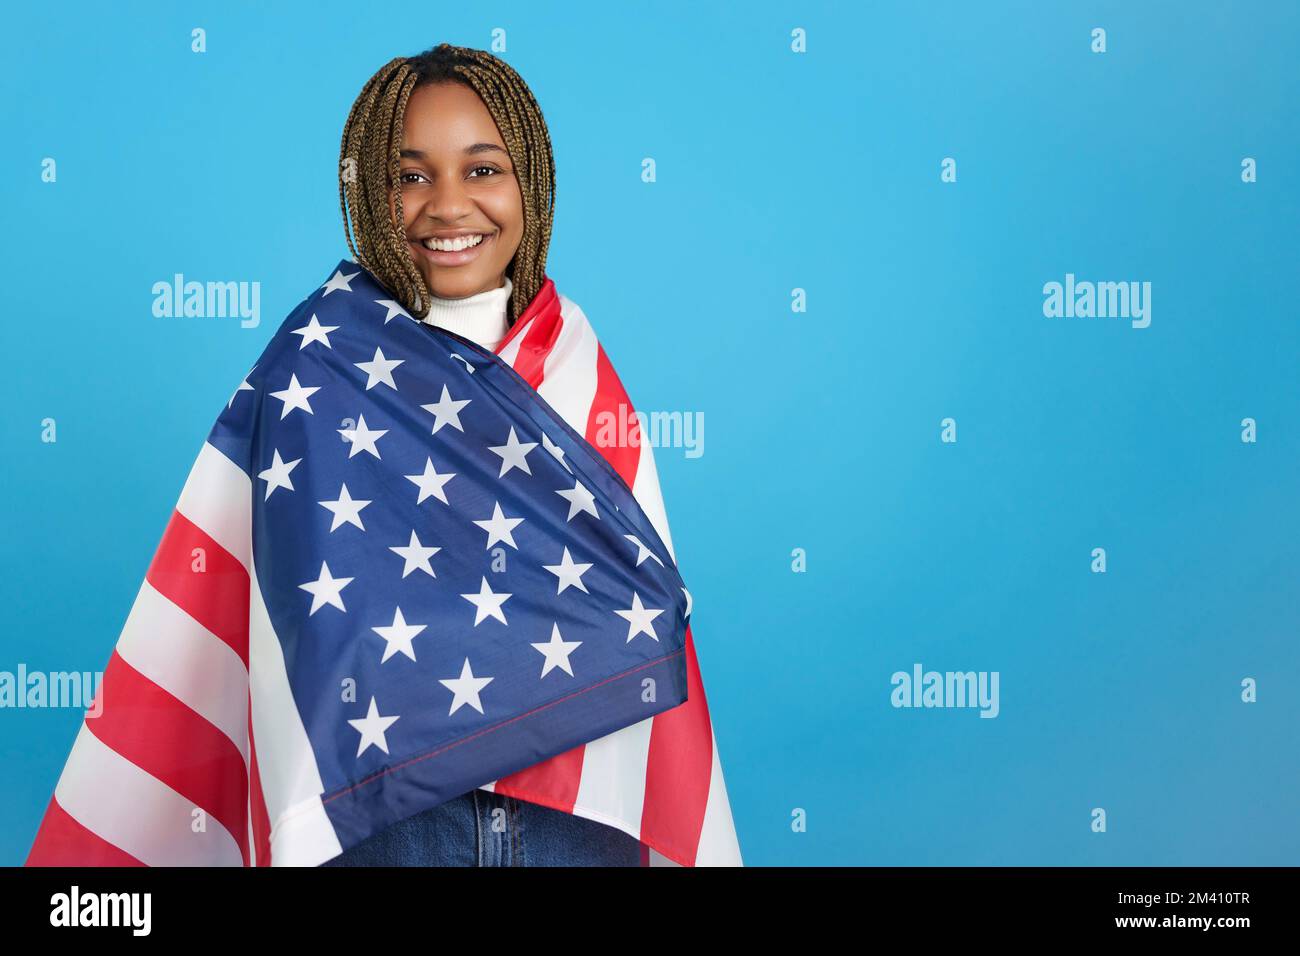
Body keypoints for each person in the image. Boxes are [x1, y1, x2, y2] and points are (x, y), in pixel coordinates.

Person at [321, 42, 642, 867]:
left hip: (576, 821)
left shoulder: (579, 373)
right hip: (391, 819)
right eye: (410, 175)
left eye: (482, 169)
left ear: (529, 184)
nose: (448, 206)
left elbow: (645, 625)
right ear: (369, 194)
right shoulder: (319, 371)